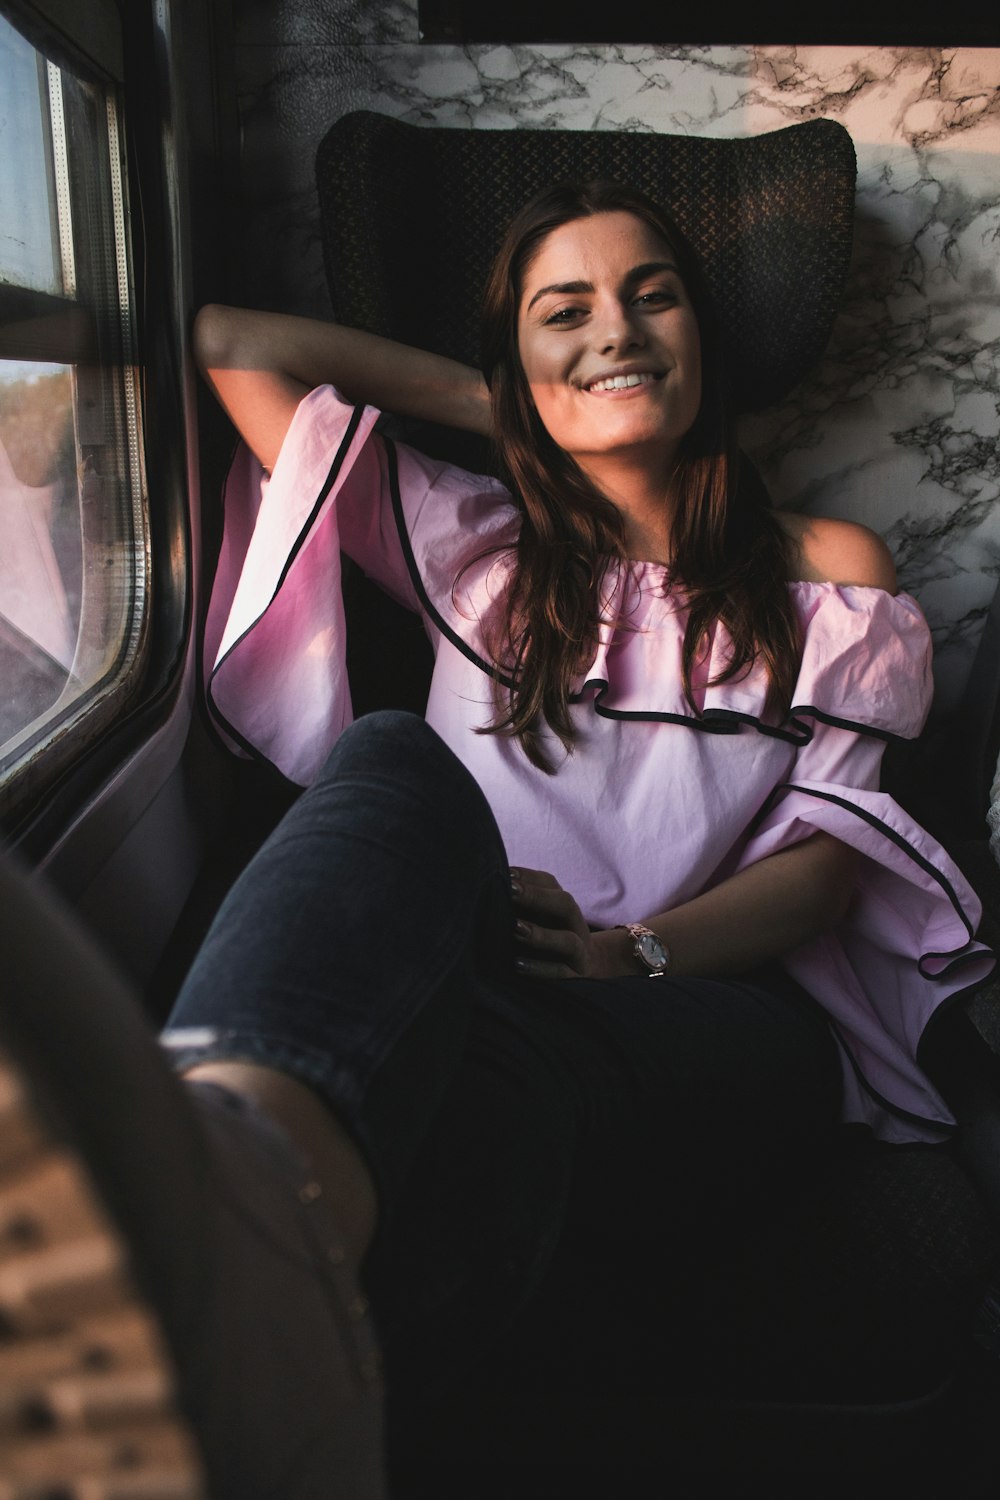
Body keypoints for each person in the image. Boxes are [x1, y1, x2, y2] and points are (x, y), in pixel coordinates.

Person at [0, 180, 993, 1499]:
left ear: (703, 332)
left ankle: (220, 1226)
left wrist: (626, 952)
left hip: (718, 1007)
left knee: (481, 1053)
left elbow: (823, 870)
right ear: (512, 355)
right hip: (464, 962)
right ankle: (253, 1168)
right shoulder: (475, 549)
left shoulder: (829, 572)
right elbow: (238, 341)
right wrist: (518, 414)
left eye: (654, 296)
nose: (618, 332)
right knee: (391, 760)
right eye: (562, 311)